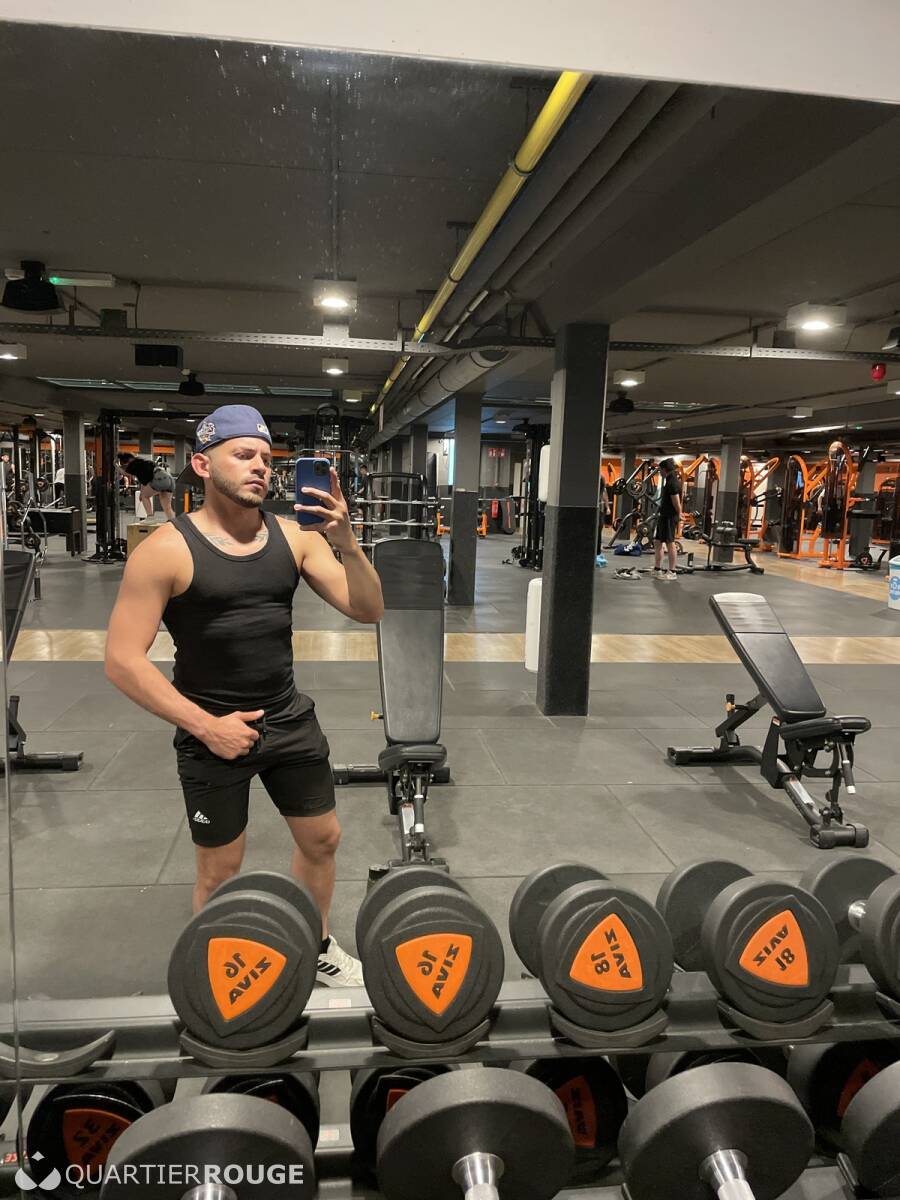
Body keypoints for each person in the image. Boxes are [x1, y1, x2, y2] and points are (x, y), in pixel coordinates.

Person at [105, 405, 383, 987]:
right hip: (211, 729)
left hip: (288, 718)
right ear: (203, 465)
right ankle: (220, 976)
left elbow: (368, 609)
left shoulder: (296, 537)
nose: (260, 466)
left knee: (323, 839)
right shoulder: (165, 550)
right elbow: (122, 660)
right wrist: (207, 726)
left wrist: (347, 541)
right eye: (243, 454)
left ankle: (316, 945)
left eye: (265, 457)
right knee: (220, 868)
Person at [117, 451, 176, 520]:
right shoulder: (144, 462)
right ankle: (173, 522)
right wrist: (141, 493)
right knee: (167, 507)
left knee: (145, 496)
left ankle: (150, 518)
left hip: (159, 479)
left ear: (126, 462)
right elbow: (143, 483)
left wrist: (115, 465)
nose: (124, 467)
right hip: (169, 479)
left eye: (124, 465)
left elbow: (124, 473)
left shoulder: (134, 465)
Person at [653, 458, 683, 580]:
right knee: (657, 542)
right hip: (664, 515)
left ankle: (672, 571)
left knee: (670, 543)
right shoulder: (669, 481)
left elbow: (676, 502)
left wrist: (679, 514)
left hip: (670, 516)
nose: (659, 472)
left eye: (660, 470)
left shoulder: (673, 483)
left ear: (664, 469)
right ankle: (657, 569)